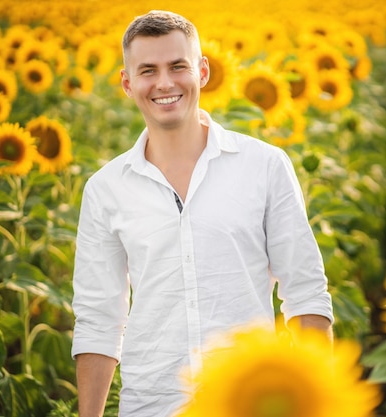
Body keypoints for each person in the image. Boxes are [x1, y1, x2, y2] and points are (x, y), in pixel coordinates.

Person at [71, 10, 334, 417]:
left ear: (203, 71)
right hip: (152, 405)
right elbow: (98, 321)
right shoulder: (106, 189)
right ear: (127, 83)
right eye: (147, 70)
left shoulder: (263, 165)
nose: (164, 83)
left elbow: (305, 294)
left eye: (178, 66)